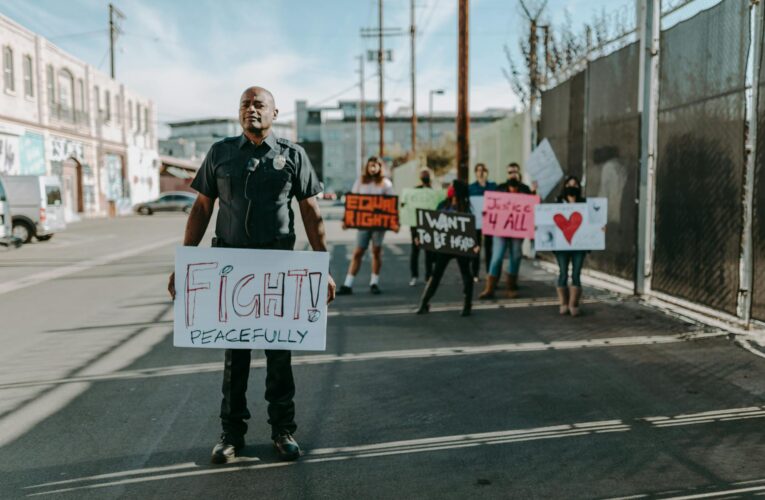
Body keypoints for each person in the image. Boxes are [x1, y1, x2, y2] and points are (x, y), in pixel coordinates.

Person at [167, 86, 336, 464]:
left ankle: (283, 430)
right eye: (245, 104)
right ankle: (231, 435)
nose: (251, 109)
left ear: (275, 113)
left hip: (277, 271)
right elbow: (201, 208)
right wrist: (186, 261)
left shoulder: (293, 155)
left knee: (279, 355)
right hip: (232, 271)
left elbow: (311, 213)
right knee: (235, 358)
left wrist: (321, 268)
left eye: (259, 104)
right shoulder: (220, 153)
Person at [415, 180, 479, 317]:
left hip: (461, 246)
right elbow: (432, 225)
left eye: (452, 186)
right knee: (436, 274)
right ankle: (424, 303)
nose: (449, 188)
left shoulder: (466, 208)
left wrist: (475, 244)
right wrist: (421, 237)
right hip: (445, 246)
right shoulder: (443, 205)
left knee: (466, 274)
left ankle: (467, 305)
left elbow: (471, 228)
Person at [337, 157, 396, 295]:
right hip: (363, 223)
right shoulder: (360, 181)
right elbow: (352, 201)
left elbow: (391, 205)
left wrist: (393, 223)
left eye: (375, 166)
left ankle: (374, 282)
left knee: (376, 251)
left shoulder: (386, 183)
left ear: (380, 167)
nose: (372, 168)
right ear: (367, 167)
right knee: (358, 252)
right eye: (370, 166)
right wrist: (346, 219)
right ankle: (348, 284)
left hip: (378, 225)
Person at [479, 162, 535, 300]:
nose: (512, 174)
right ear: (507, 174)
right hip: (501, 229)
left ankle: (511, 286)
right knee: (497, 256)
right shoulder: (500, 189)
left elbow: (532, 208)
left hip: (517, 230)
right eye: (510, 172)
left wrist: (534, 193)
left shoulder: (525, 189)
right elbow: (492, 207)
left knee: (516, 255)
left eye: (515, 172)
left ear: (519, 173)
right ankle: (489, 288)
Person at [554, 175, 586, 316]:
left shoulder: (585, 204)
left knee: (576, 273)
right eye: (569, 184)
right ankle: (563, 303)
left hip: (579, 245)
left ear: (579, 188)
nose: (572, 187)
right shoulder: (557, 204)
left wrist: (600, 229)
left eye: (575, 184)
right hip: (561, 246)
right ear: (565, 187)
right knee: (562, 272)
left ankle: (573, 303)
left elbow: (593, 222)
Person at [468, 163, 497, 282]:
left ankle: (489, 273)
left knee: (489, 248)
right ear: (475, 172)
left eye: (483, 170)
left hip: (490, 222)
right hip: (476, 223)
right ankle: (475, 273)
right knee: (476, 247)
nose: (481, 172)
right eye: (478, 170)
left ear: (487, 172)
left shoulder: (493, 186)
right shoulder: (471, 188)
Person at [407, 168, 436, 286]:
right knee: (415, 250)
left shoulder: (433, 192)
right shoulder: (415, 191)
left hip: (428, 225)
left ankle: (428, 276)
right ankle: (414, 275)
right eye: (423, 175)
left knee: (429, 251)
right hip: (416, 225)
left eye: (426, 175)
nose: (425, 177)